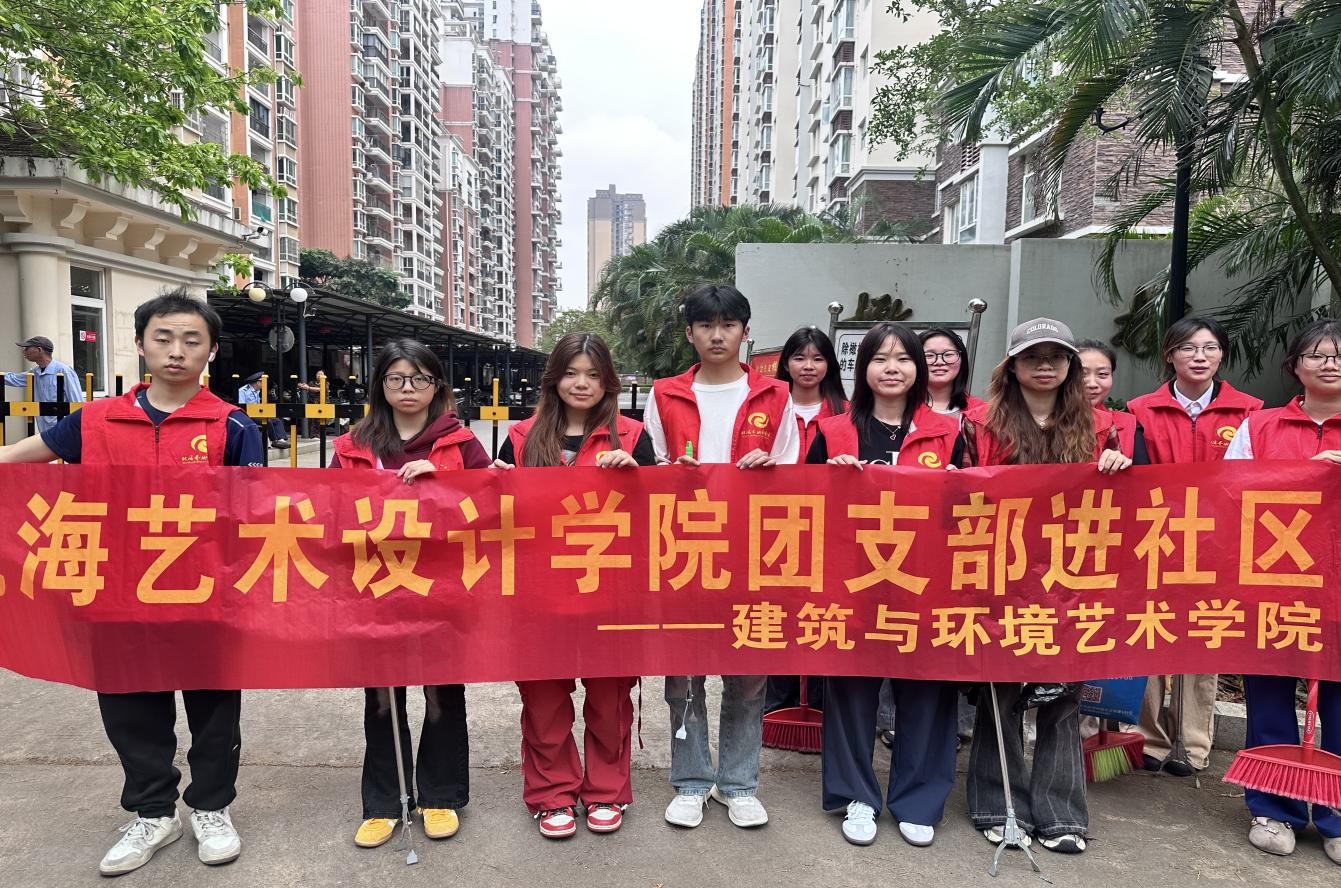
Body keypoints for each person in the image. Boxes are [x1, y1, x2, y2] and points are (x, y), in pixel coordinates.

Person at [0, 291, 263, 875]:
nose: (177, 351)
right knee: (129, 706)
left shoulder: (233, 425)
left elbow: (254, 513)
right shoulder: (95, 420)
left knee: (214, 705)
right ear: (141, 345)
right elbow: (22, 457)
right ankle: (153, 812)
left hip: (204, 594)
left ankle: (211, 807)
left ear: (211, 351)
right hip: (113, 588)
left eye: (192, 340)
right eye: (163, 338)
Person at [964, 317, 1133, 855]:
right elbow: (954, 494)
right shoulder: (978, 424)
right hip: (1000, 575)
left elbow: (1132, 506)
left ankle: (1061, 814)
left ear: (1070, 367)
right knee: (1000, 692)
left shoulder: (1105, 427)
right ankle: (998, 805)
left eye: (1056, 357)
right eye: (1032, 356)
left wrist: (1120, 467)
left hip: (1072, 578)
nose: (1044, 365)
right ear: (1012, 365)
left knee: (1064, 698)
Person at [642, 283, 799, 830]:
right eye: (706, 325)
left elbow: (796, 474)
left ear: (744, 332)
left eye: (728, 325)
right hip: (685, 546)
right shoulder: (664, 394)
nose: (717, 335)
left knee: (748, 673)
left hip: (754, 547)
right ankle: (690, 780)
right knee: (683, 671)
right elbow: (651, 469)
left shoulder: (775, 396)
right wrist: (672, 475)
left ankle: (738, 783)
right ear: (690, 333)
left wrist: (770, 471)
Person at [806, 322, 963, 848]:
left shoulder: (949, 432)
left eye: (903, 358)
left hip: (929, 583)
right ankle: (856, 795)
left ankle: (918, 800)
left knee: (928, 690)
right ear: (862, 368)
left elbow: (974, 506)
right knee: (852, 691)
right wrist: (831, 481)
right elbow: (800, 508)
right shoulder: (833, 431)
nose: (891, 368)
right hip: (854, 582)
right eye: (880, 358)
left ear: (918, 368)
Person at [493, 332, 655, 839]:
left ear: (608, 381)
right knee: (544, 702)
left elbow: (660, 517)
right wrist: (492, 482)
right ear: (553, 379)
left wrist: (638, 478)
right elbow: (498, 513)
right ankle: (552, 794)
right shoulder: (522, 437)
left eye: (592, 374)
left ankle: (607, 790)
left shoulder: (632, 436)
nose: (581, 383)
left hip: (611, 593)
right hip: (538, 595)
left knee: (609, 701)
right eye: (570, 373)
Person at [329, 339, 488, 850]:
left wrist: (446, 482)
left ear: (437, 386)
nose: (408, 388)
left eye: (420, 378)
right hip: (375, 590)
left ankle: (440, 796)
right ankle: (384, 802)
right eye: (396, 378)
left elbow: (492, 505)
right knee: (381, 698)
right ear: (380, 385)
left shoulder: (460, 443)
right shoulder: (352, 445)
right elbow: (328, 511)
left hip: (443, 591)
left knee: (442, 695)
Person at [1223, 318, 1341, 866]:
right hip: (1275, 583)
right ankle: (1273, 808)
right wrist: (1300, 474)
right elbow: (1228, 491)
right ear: (1295, 366)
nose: (1330, 364)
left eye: (1339, 355)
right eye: (1317, 355)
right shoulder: (1260, 426)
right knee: (1268, 695)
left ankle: (1336, 814)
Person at [1126, 316, 1262, 777]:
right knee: (1149, 630)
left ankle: (1194, 743)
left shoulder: (1250, 412)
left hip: (1220, 541)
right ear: (1170, 356)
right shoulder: (1141, 410)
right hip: (1156, 536)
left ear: (1222, 355)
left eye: (1209, 348)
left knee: (1205, 633)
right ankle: (1150, 738)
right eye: (1187, 348)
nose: (1199, 357)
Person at [765, 325, 847, 716]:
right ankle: (775, 701)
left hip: (831, 531)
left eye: (818, 358)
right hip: (775, 526)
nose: (808, 366)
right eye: (799, 357)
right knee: (777, 612)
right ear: (786, 364)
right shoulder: (768, 409)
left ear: (830, 364)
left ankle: (818, 700)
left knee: (823, 613)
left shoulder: (847, 413)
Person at [1076, 339, 1144, 459]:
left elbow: (1142, 470)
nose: (1092, 384)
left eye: (1103, 374)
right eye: (1081, 374)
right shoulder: (1046, 422)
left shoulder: (1128, 425)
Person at [5, 335, 85, 434]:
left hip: (64, 430)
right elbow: (13, 379)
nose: (24, 351)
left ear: (39, 350)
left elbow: (76, 403)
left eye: (27, 348)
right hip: (44, 432)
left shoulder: (64, 371)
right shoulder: (35, 373)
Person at [920, 326, 986, 416]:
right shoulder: (902, 407)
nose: (939, 362)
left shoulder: (982, 412)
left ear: (962, 360)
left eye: (948, 354)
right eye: (929, 355)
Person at [236, 371, 289, 448]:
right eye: (263, 382)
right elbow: (241, 406)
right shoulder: (243, 391)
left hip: (258, 413)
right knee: (267, 421)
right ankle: (274, 441)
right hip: (249, 415)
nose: (264, 384)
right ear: (258, 382)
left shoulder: (257, 390)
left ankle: (281, 440)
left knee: (276, 420)